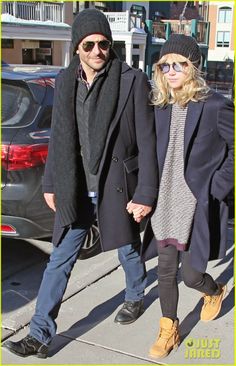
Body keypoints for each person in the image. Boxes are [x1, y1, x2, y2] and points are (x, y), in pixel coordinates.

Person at [3, 9, 157, 359]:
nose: (97, 51)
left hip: (116, 183)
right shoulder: (65, 80)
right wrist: (51, 184)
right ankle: (40, 334)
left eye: (104, 44)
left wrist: (146, 192)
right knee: (59, 257)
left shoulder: (132, 80)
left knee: (127, 248)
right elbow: (60, 138)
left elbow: (148, 142)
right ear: (77, 48)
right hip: (77, 186)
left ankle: (135, 295)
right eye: (89, 45)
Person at [137, 34, 234, 359]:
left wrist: (218, 187)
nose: (172, 70)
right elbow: (149, 155)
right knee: (165, 271)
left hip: (196, 205)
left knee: (191, 275)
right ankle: (169, 328)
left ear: (194, 67)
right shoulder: (159, 107)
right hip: (165, 204)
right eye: (166, 65)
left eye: (179, 64)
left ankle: (214, 290)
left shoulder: (216, 106)